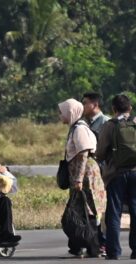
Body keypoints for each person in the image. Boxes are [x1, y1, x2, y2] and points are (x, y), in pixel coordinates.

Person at [58, 98, 106, 258]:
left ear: (70, 112)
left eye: (62, 112)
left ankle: (93, 247)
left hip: (85, 176)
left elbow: (83, 153)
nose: (60, 115)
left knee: (87, 211)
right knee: (77, 212)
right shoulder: (76, 128)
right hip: (82, 176)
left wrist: (78, 179)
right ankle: (77, 246)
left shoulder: (79, 129)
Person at [96, 94, 136, 260]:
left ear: (113, 109)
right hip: (135, 172)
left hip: (115, 174)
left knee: (114, 213)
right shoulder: (135, 123)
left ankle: (113, 251)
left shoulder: (109, 125)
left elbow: (100, 152)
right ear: (130, 108)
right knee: (135, 211)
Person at [81, 92, 109, 255]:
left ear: (95, 104)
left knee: (103, 209)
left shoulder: (105, 122)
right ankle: (95, 242)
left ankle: (103, 243)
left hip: (103, 173)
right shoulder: (86, 123)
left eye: (85, 103)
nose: (83, 106)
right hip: (91, 174)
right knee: (92, 209)